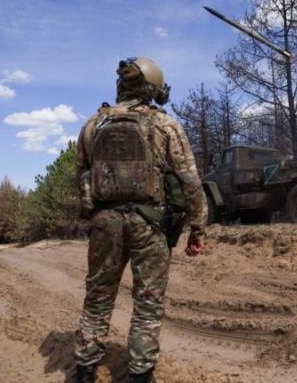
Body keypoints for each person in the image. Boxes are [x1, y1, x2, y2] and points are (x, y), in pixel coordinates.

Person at [73, 57, 208, 383]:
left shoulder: (93, 125)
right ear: (154, 88)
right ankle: (140, 374)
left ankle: (84, 369)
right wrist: (198, 228)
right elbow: (191, 182)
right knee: (147, 303)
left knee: (98, 297)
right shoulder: (165, 125)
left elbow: (81, 173)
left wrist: (96, 211)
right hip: (150, 224)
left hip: (105, 223)